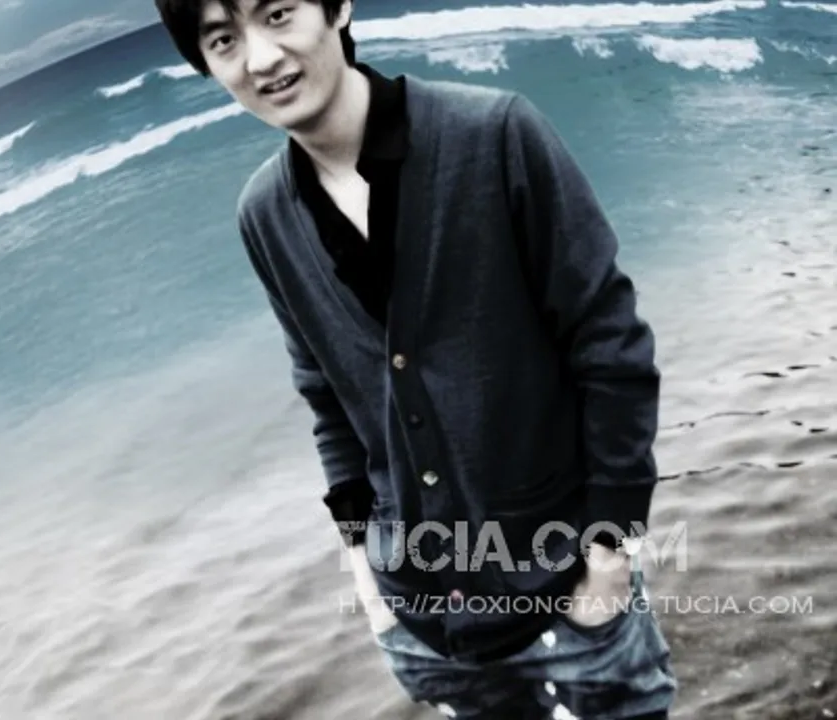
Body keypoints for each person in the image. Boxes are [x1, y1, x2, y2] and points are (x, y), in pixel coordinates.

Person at [154, 0, 678, 717]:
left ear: (337, 6)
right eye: (223, 40)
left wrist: (611, 554)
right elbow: (328, 400)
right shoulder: (264, 214)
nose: (261, 58)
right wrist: (365, 577)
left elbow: (611, 347)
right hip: (422, 621)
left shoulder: (494, 134)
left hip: (570, 589)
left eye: (277, 13)